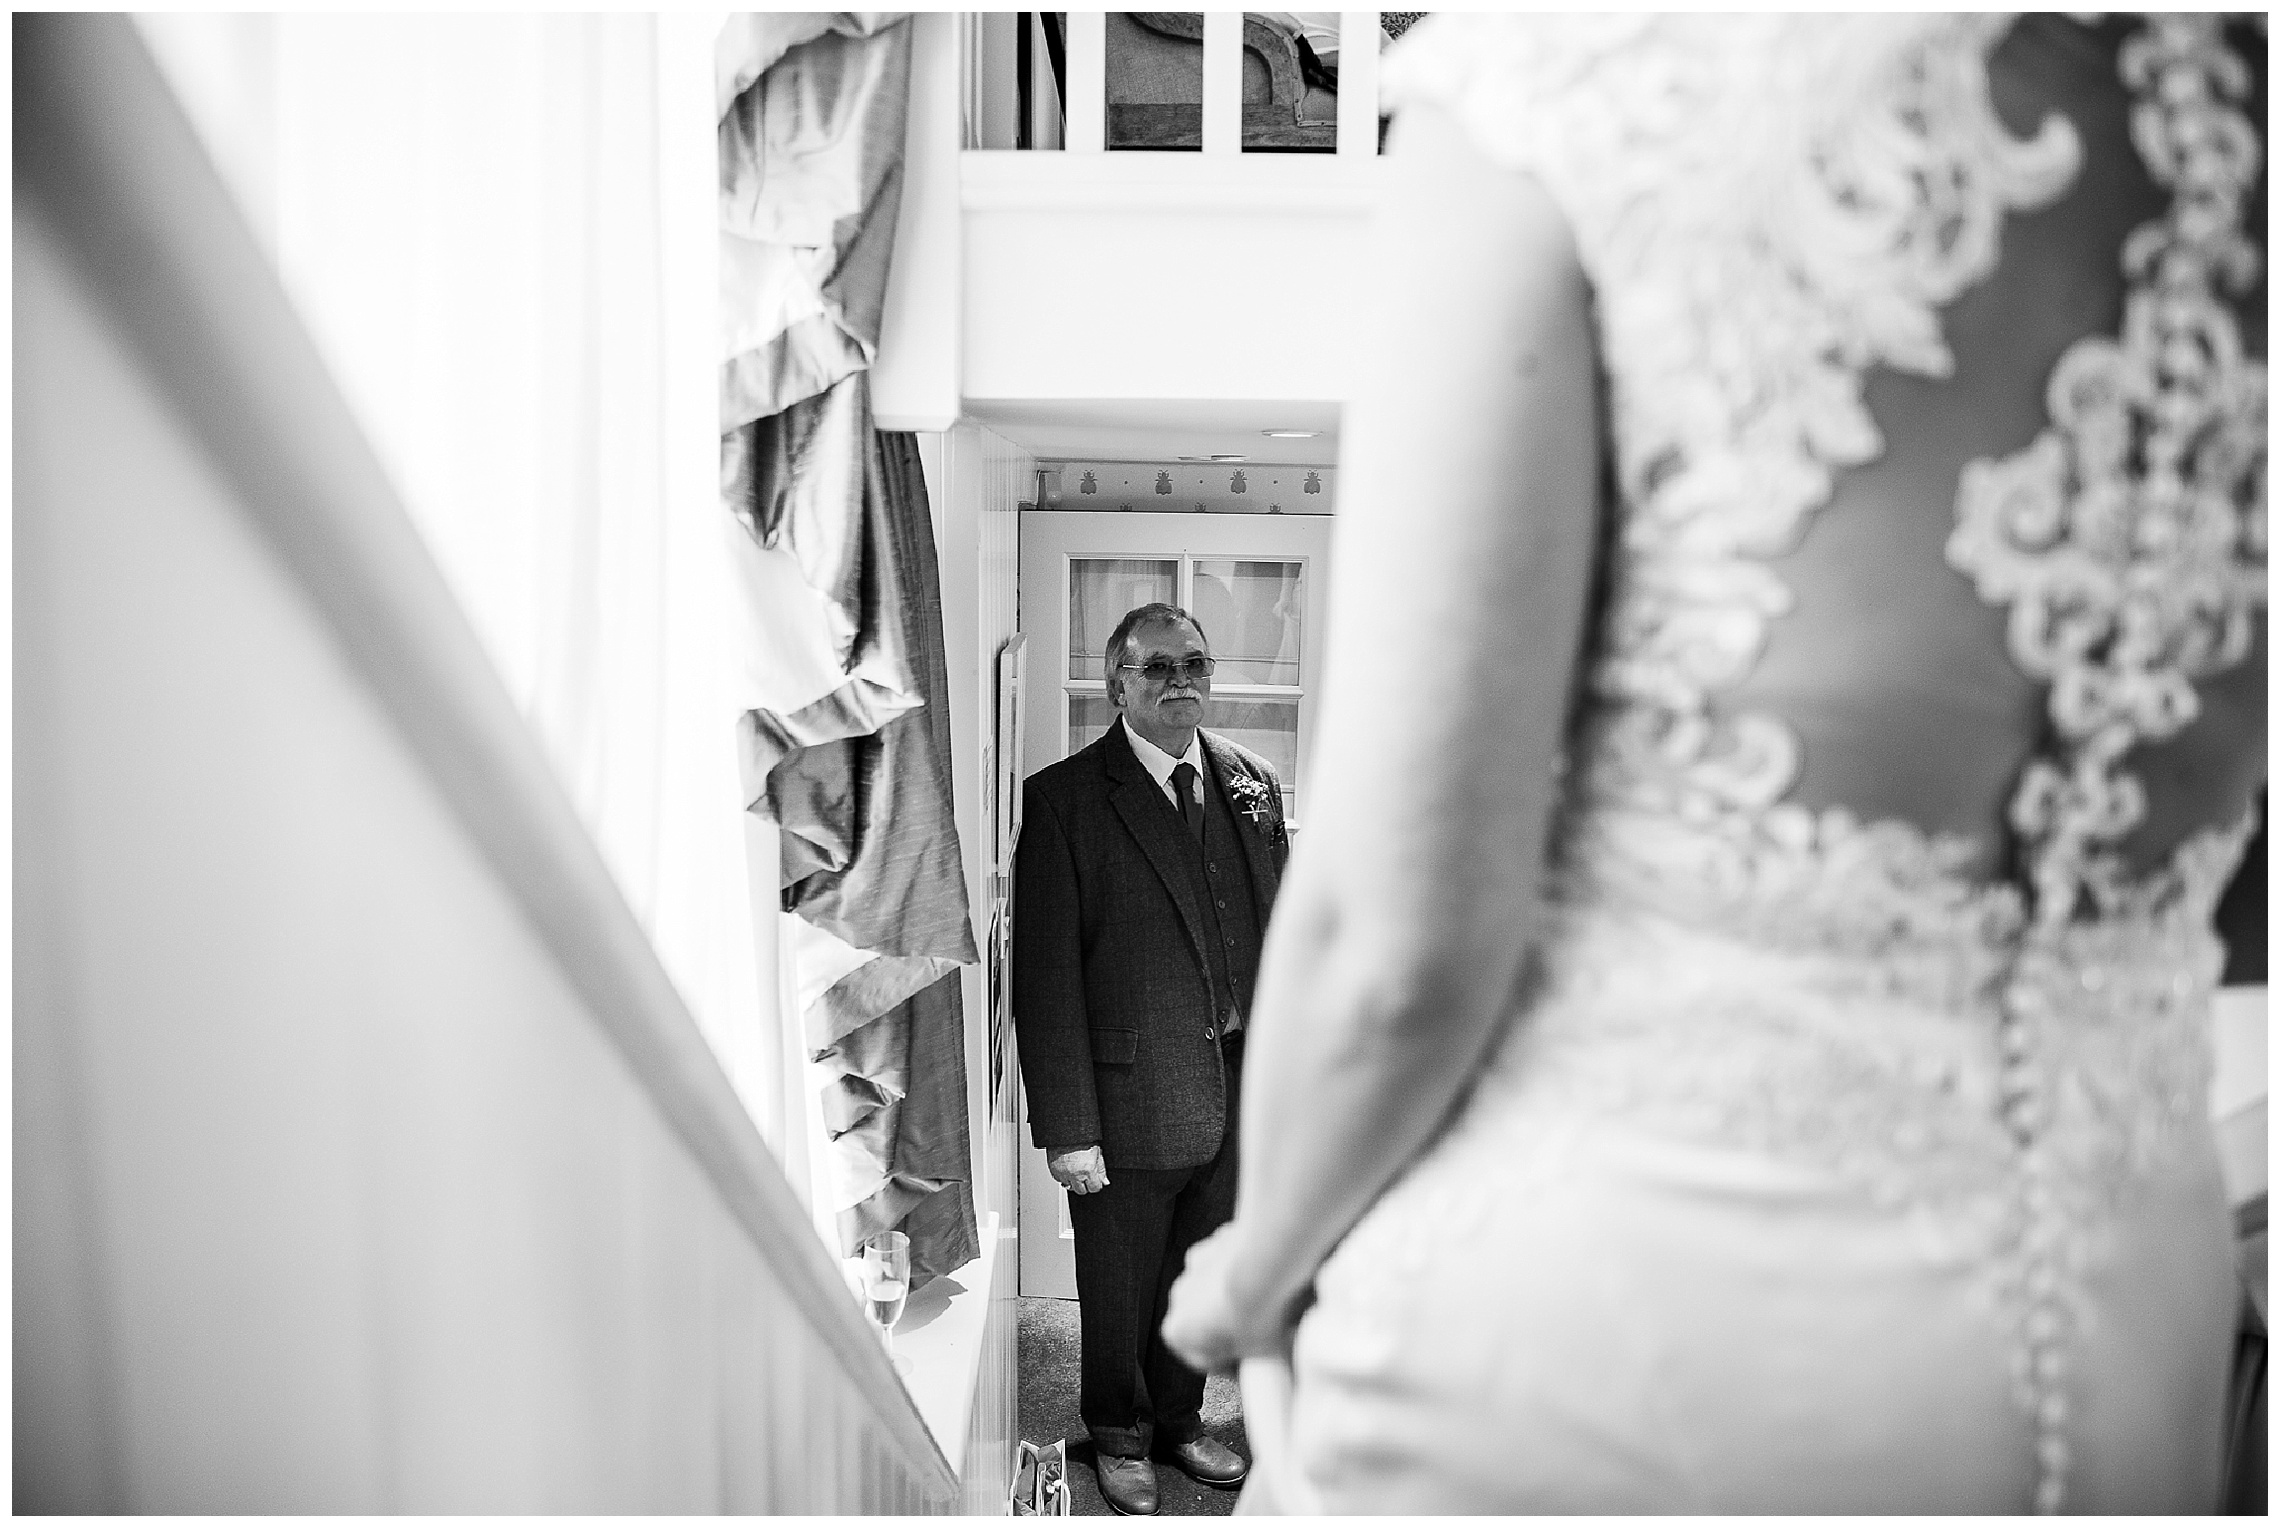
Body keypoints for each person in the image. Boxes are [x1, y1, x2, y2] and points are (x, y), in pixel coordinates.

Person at [1162, 12, 2266, 1514]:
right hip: (2135, 1322)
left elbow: (1395, 951)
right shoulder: (2225, 111)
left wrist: (1254, 1269)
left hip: (1625, 1326)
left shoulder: (1557, 82)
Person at [1012, 602, 1289, 1514]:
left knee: (1200, 1269)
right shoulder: (1065, 800)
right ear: (1116, 683)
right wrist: (1068, 1129)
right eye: (1159, 666)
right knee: (1121, 1282)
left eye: (1196, 664)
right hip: (1127, 1096)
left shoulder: (1252, 781)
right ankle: (1120, 1434)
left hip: (1237, 1087)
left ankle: (1178, 1420)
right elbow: (1045, 978)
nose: (1182, 681)